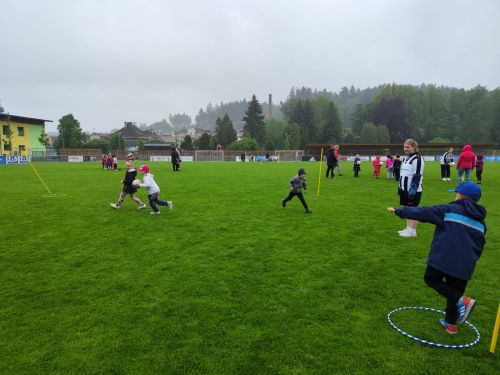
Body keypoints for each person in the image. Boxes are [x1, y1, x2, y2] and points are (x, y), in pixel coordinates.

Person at [387, 182, 486, 334]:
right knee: (455, 290)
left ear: (459, 195)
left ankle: (463, 301)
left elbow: (422, 212)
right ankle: (451, 324)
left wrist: (399, 211)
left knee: (431, 279)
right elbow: (480, 245)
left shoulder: (448, 209)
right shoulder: (481, 223)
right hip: (465, 264)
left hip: (443, 258)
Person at [397, 139, 425, 237]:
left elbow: (417, 175)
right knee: (407, 208)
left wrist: (412, 192)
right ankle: (408, 228)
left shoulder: (418, 159)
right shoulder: (405, 158)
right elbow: (402, 174)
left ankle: (413, 230)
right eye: (405, 147)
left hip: (413, 190)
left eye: (408, 147)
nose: (406, 149)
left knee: (413, 209)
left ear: (414, 147)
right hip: (404, 189)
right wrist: (400, 187)